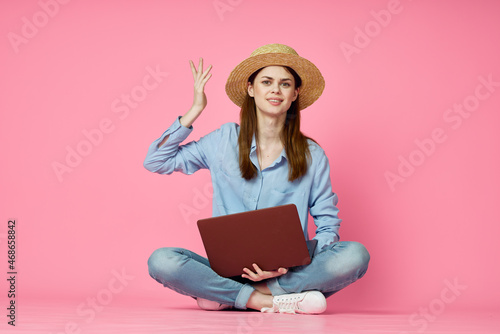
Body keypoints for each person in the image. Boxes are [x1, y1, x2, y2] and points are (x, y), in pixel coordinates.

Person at [144, 44, 370, 314]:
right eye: (267, 82)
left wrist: (294, 266)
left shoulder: (312, 155)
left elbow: (328, 223)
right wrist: (194, 110)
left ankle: (234, 296)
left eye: (285, 84)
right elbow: (156, 161)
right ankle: (268, 301)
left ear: (295, 94)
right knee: (162, 261)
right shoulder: (223, 140)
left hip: (287, 272)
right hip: (226, 271)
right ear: (251, 89)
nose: (276, 89)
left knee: (355, 255)